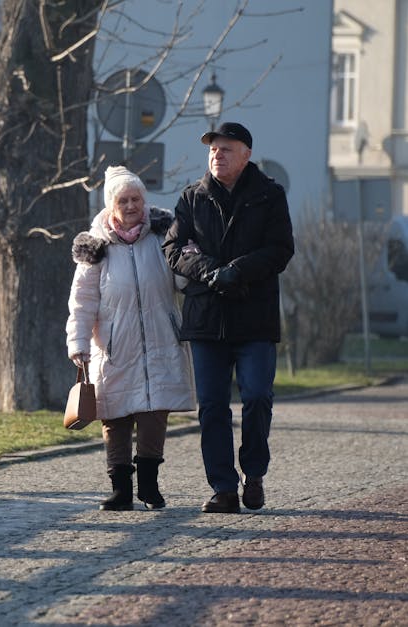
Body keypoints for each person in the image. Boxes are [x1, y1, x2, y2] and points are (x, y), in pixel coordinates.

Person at [162, 122, 294, 514]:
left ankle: (254, 473)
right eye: (213, 149)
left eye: (226, 149)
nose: (217, 155)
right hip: (207, 317)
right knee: (213, 406)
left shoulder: (270, 196)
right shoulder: (192, 197)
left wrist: (237, 270)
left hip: (255, 316)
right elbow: (175, 248)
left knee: (256, 396)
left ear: (246, 154)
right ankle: (223, 488)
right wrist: (209, 271)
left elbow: (280, 249)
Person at [66, 165, 196, 511]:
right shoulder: (96, 250)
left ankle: (149, 487)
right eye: (122, 200)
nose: (131, 205)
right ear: (111, 206)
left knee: (154, 415)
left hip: (160, 340)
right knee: (116, 418)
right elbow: (82, 302)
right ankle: (120, 490)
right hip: (113, 346)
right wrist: (77, 344)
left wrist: (193, 260)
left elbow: (183, 281)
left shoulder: (162, 238)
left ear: (145, 201)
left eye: (136, 198)